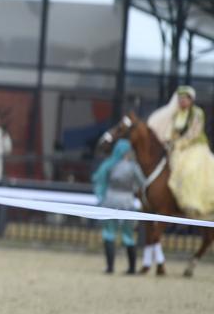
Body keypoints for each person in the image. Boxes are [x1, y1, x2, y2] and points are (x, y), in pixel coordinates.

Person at [145, 85, 214, 273]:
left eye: (186, 98)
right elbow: (171, 133)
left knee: (189, 170)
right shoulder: (177, 114)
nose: (183, 101)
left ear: (191, 100)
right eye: (181, 98)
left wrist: (177, 143)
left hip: (193, 149)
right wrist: (169, 141)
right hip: (176, 149)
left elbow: (193, 133)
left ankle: (193, 202)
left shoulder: (196, 113)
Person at [92, 140, 144, 274]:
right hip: (127, 202)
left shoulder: (109, 165)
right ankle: (132, 268)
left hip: (110, 201)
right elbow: (141, 184)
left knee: (109, 233)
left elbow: (99, 181)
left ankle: (110, 267)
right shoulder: (133, 167)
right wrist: (133, 188)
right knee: (128, 235)